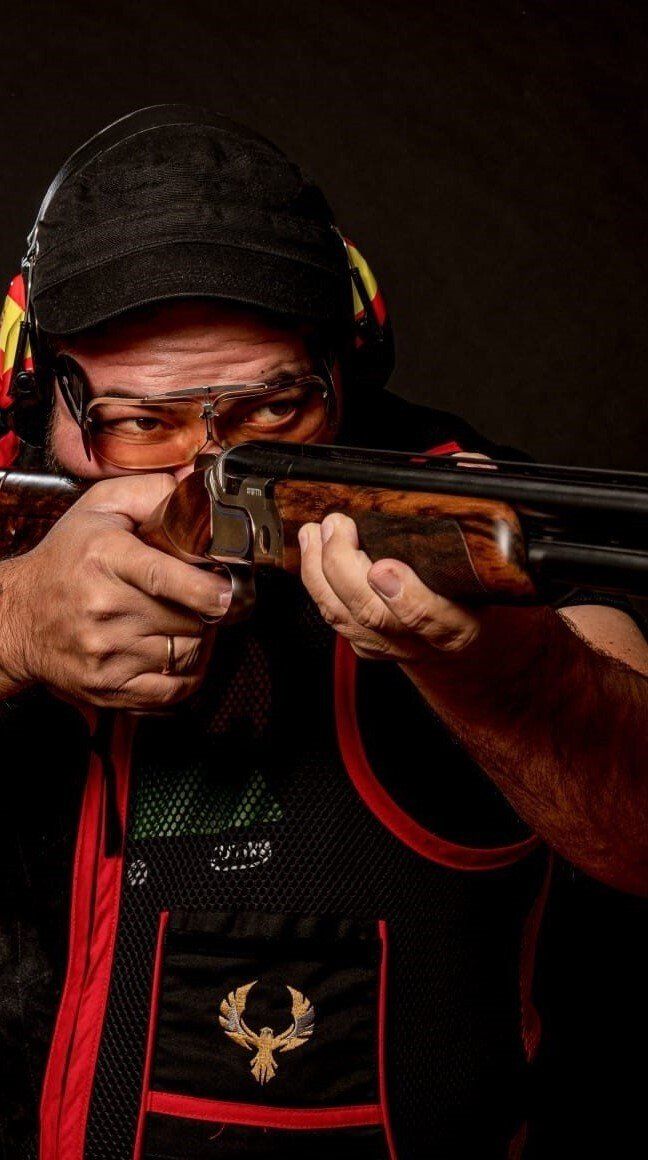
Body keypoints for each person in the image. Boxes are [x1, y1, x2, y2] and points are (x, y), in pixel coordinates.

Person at [0, 105, 645, 1160]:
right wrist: (17, 621)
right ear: (36, 391)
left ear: (345, 369)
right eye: (141, 422)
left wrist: (505, 671)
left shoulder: (461, 505)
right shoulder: (17, 515)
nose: (203, 469)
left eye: (270, 409)